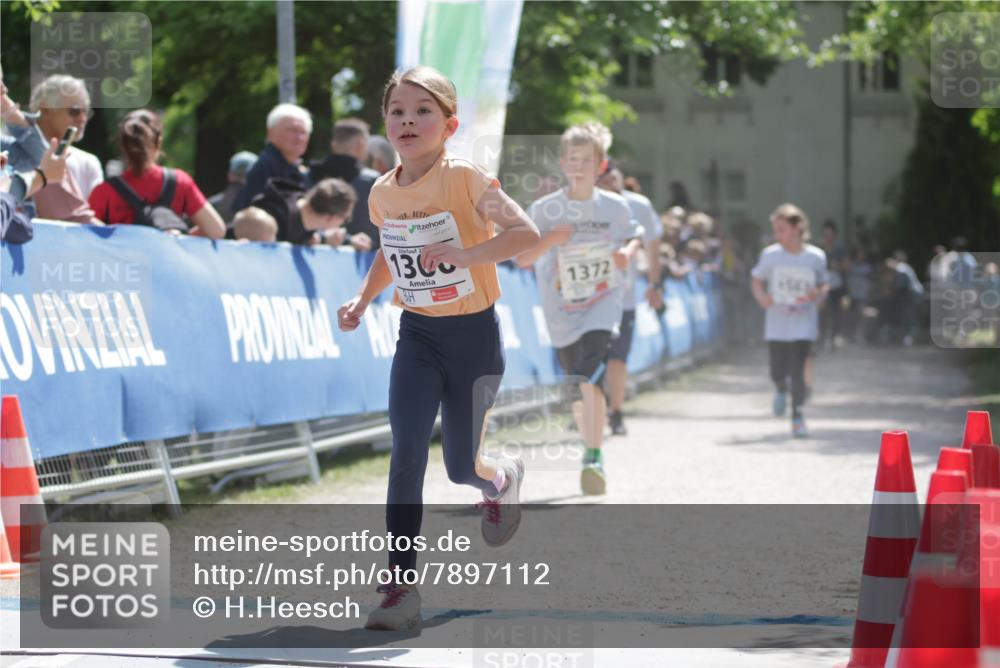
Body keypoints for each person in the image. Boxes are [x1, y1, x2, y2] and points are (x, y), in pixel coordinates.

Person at [336, 66, 539, 631]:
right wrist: (362, 298)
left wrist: (462, 255)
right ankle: (401, 588)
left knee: (458, 468)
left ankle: (498, 480)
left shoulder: (465, 178)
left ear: (448, 125)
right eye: (397, 110)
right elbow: (388, 250)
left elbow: (526, 235)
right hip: (418, 335)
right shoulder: (380, 191)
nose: (407, 120)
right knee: (405, 453)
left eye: (422, 110)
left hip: (474, 336)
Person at [518, 121, 637, 495]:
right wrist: (552, 238)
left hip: (602, 304)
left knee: (589, 375)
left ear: (601, 164)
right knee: (576, 387)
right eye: (573, 159)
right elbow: (522, 259)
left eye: (587, 159)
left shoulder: (616, 207)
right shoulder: (545, 208)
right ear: (562, 163)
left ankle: (594, 456)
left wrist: (625, 255)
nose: (579, 166)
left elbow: (632, 237)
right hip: (562, 312)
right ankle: (590, 446)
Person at [751, 203, 828, 438]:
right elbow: (756, 279)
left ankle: (798, 417)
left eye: (781, 229)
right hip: (777, 324)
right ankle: (780, 389)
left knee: (798, 372)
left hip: (803, 324)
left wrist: (818, 295)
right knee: (777, 371)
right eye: (775, 229)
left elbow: (823, 283)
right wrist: (762, 297)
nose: (777, 234)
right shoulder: (771, 255)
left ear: (797, 228)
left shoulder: (815, 256)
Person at [596, 163, 662, 436]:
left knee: (618, 359)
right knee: (592, 359)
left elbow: (654, 245)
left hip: (624, 297)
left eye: (614, 174)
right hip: (587, 300)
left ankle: (616, 411)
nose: (610, 180)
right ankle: (592, 410)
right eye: (603, 176)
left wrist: (656, 284)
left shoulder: (639, 206)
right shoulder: (582, 204)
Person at [88, 109, 225, 239]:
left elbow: (86, 234)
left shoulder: (105, 191)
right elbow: (216, 230)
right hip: (167, 262)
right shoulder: (180, 182)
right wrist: (182, 238)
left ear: (122, 147)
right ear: (159, 142)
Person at [6, 74, 103, 223]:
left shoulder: (89, 162)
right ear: (45, 110)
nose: (83, 119)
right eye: (75, 111)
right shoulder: (10, 153)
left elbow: (91, 220)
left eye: (86, 111)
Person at [308, 117, 377, 251]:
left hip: (314, 256)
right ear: (360, 145)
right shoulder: (374, 182)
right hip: (362, 261)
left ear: (333, 145)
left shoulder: (308, 176)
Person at [233, 103, 312, 212]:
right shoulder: (264, 169)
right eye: (292, 130)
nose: (299, 137)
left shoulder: (300, 171)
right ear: (271, 133)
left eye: (303, 132)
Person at [241, 176, 355, 246]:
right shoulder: (271, 219)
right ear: (332, 218)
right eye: (346, 218)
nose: (343, 224)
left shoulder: (309, 228)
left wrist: (325, 239)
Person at [819, 220, 848, 349]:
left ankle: (834, 337)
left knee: (836, 312)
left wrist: (838, 265)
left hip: (837, 286)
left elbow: (848, 266)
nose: (828, 238)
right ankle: (822, 338)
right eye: (826, 235)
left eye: (830, 235)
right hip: (823, 286)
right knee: (823, 312)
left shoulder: (840, 249)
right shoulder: (819, 250)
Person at [209, 151, 257, 226]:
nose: (241, 180)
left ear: (229, 175)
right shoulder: (265, 204)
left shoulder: (210, 205)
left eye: (243, 175)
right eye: (239, 175)